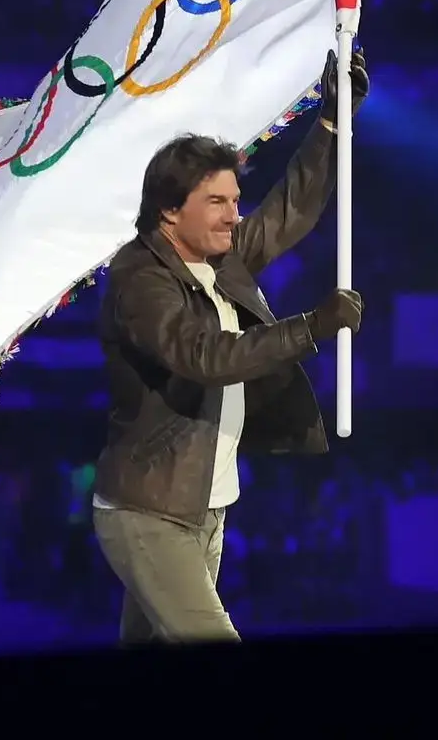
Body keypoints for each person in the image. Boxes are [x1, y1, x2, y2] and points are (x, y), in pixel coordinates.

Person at [91, 48, 369, 643]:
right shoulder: (140, 278)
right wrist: (310, 328)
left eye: (233, 199)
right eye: (216, 202)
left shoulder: (221, 256)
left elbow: (288, 210)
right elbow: (205, 356)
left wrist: (331, 122)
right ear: (169, 210)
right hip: (149, 515)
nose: (232, 215)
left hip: (203, 510)